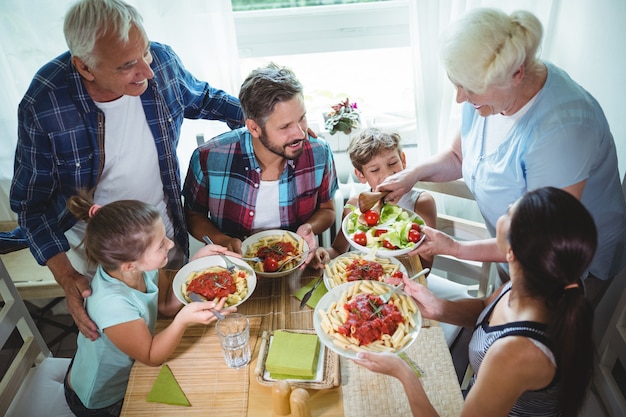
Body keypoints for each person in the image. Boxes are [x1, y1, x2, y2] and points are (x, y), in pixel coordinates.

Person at [9, 0, 243, 341]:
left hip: (162, 231)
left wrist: (268, 122)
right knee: (128, 345)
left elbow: (205, 98)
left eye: (145, 52)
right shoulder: (45, 104)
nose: (147, 71)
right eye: (127, 65)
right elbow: (31, 207)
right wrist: (66, 277)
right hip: (101, 251)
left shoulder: (160, 63)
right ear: (85, 67)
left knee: (180, 327)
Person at [377, 8, 626, 307]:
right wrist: (411, 174)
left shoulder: (564, 132)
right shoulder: (488, 88)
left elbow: (536, 244)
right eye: (456, 83)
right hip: (510, 254)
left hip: (565, 270)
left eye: (468, 89)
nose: (459, 97)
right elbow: (458, 156)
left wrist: (455, 248)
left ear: (517, 74)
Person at [355, 187, 596, 417]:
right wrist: (439, 307)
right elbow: (485, 310)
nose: (505, 209)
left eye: (510, 211)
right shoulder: (544, 281)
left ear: (510, 252)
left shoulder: (515, 353)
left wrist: (403, 373)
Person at [63, 192, 236, 416]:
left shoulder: (143, 268)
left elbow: (165, 305)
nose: (171, 244)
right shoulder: (111, 304)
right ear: (129, 265)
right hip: (102, 396)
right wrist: (183, 320)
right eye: (161, 245)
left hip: (133, 366)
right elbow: (152, 356)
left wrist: (195, 265)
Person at [183, 62, 339, 262]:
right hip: (234, 268)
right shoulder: (208, 157)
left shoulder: (319, 152)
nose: (300, 133)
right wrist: (222, 240)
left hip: (297, 265)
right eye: (285, 126)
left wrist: (309, 228)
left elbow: (328, 209)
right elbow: (193, 215)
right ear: (254, 128)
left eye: (301, 118)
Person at [314, 127, 437, 271]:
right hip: (365, 279)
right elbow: (338, 251)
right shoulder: (354, 206)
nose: (388, 175)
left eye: (392, 163)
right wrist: (322, 254)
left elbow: (425, 267)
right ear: (361, 175)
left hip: (407, 282)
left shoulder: (421, 203)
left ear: (403, 160)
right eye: (374, 170)